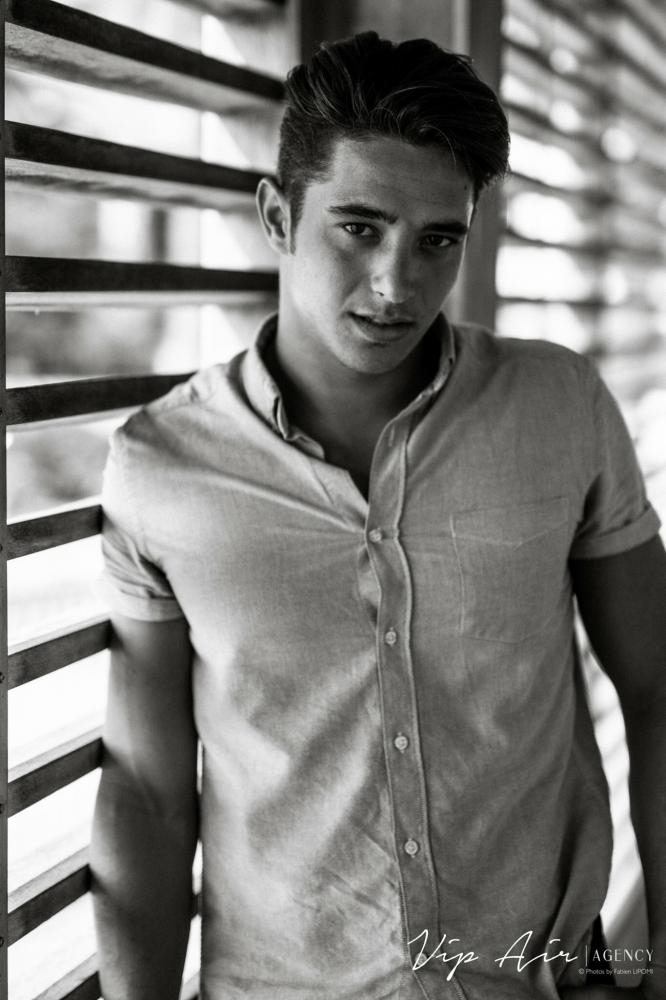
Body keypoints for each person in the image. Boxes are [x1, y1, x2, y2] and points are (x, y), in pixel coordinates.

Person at [91, 30, 666, 1000]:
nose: (398, 284)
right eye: (359, 228)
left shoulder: (561, 409)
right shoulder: (163, 466)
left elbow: (658, 683)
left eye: (439, 239)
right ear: (277, 217)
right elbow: (147, 794)